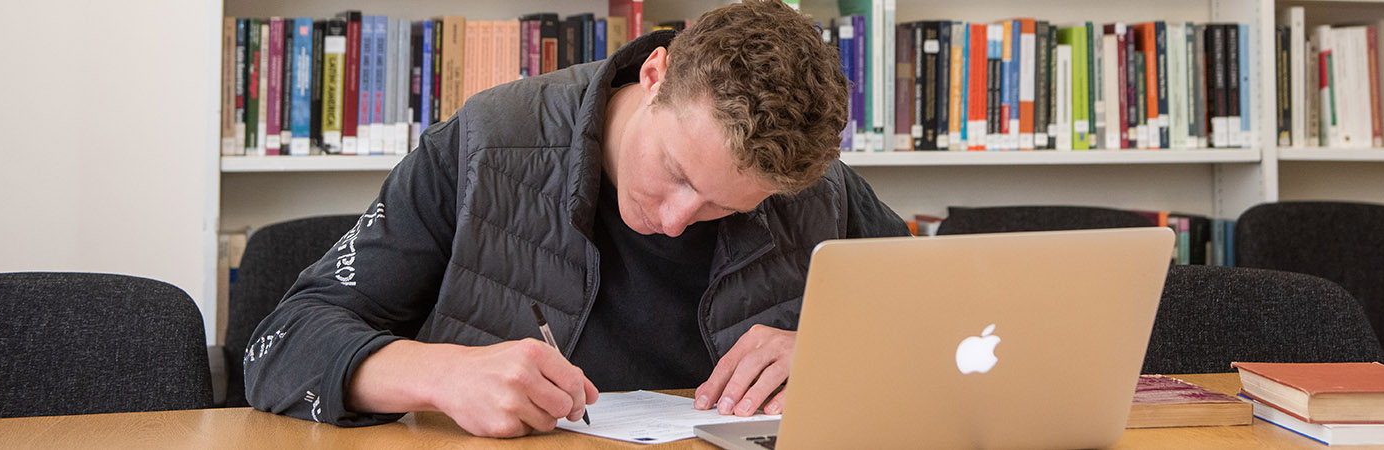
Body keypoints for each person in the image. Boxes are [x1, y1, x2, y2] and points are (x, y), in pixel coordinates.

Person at [241, 0, 907, 438]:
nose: (676, 222)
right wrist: (441, 376)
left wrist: (838, 351)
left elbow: (960, 332)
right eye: (676, 173)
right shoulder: (485, 144)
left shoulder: (815, 188)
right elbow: (282, 344)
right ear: (655, 72)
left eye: (727, 206)